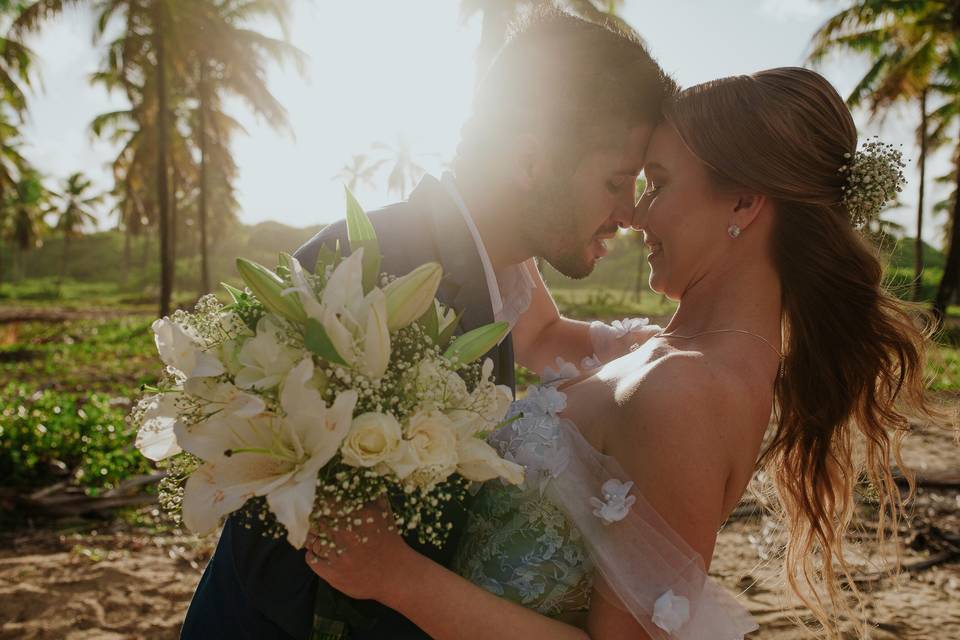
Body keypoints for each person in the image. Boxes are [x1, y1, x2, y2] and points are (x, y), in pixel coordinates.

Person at [302, 67, 938, 639]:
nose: (634, 213)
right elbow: (540, 331)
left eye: (656, 184)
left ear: (743, 201)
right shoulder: (661, 351)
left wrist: (395, 576)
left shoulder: (687, 396)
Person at [180, 9, 676, 639]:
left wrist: (673, 351)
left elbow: (545, 336)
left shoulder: (495, 260)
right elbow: (275, 541)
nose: (631, 213)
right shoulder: (374, 270)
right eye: (615, 181)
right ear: (529, 160)